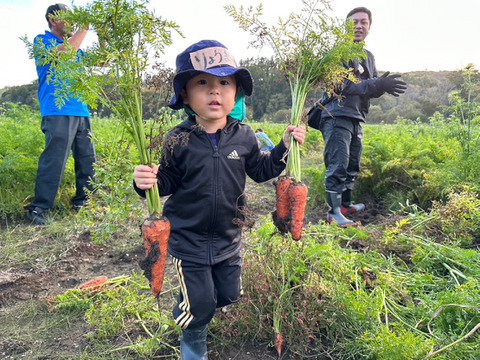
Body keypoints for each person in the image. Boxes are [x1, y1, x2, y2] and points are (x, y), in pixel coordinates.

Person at [133, 40, 305, 359]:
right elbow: (166, 180)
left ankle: (202, 304)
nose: (215, 91)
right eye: (203, 83)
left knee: (226, 295)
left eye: (224, 83)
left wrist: (282, 148)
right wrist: (145, 181)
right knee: (199, 305)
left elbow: (260, 169)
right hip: (189, 240)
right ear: (185, 94)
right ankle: (192, 335)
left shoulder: (245, 135)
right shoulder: (178, 139)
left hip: (229, 238)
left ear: (236, 92)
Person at [310, 7, 406, 226]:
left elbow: (368, 87)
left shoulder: (368, 57)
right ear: (345, 27)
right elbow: (341, 84)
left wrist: (382, 86)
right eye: (354, 22)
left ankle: (345, 205)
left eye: (364, 22)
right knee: (338, 164)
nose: (359, 26)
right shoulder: (336, 53)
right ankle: (333, 213)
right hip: (336, 115)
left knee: (353, 164)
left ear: (369, 27)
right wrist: (375, 83)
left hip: (357, 117)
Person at [27, 3, 96, 225]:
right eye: (68, 18)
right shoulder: (42, 41)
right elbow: (63, 55)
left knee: (87, 159)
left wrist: (103, 37)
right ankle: (39, 209)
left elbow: (103, 60)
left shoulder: (78, 48)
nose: (74, 23)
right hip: (57, 110)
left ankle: (83, 203)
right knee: (54, 160)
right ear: (53, 20)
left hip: (81, 109)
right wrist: (84, 29)